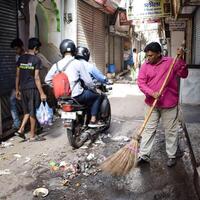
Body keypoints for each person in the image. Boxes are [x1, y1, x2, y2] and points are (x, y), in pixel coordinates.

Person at [137, 42, 188, 167]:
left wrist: (181, 59)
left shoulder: (171, 62)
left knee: (171, 131)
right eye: (147, 56)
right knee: (148, 130)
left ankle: (171, 156)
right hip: (151, 104)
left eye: (151, 55)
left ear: (159, 54)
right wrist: (151, 93)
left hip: (169, 104)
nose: (148, 58)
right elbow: (141, 83)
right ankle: (144, 155)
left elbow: (184, 74)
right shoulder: (145, 66)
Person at [45, 39, 103, 127]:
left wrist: (56, 86)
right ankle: (93, 120)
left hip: (62, 98)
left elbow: (47, 80)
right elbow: (88, 81)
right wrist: (94, 88)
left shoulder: (56, 65)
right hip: (77, 96)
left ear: (61, 50)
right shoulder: (78, 63)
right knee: (97, 96)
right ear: (74, 51)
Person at [15, 37, 47, 141]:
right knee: (33, 112)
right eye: (38, 49)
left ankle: (21, 130)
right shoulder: (36, 60)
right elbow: (37, 77)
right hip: (32, 89)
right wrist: (42, 93)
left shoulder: (21, 58)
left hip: (23, 88)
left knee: (27, 111)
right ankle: (32, 135)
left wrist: (17, 90)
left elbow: (17, 76)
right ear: (35, 48)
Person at [10, 38, 25, 130]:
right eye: (14, 49)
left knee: (26, 105)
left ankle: (22, 124)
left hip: (24, 84)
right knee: (12, 101)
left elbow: (21, 74)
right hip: (18, 84)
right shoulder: (17, 56)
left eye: (16, 49)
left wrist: (19, 88)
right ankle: (17, 122)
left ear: (21, 47)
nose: (15, 51)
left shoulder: (25, 56)